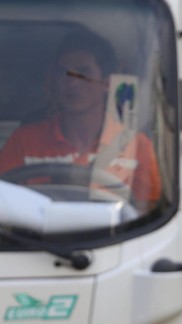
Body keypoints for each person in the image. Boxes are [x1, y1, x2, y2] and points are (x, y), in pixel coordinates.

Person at [0, 29, 161, 212]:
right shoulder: (24, 140)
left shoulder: (137, 146)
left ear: (107, 83)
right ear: (55, 82)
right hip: (38, 240)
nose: (72, 83)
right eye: (64, 73)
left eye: (83, 73)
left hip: (118, 240)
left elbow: (149, 216)